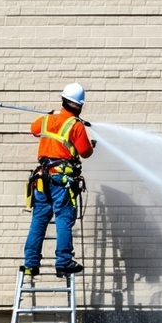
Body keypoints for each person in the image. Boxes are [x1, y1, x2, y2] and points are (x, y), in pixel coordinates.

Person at [21, 83, 96, 277]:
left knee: (38, 221)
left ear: (63, 100)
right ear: (79, 105)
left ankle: (31, 264)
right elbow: (85, 152)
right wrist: (91, 145)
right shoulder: (76, 126)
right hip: (62, 182)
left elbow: (34, 129)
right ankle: (63, 263)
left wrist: (51, 115)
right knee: (63, 219)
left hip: (41, 180)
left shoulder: (47, 119)